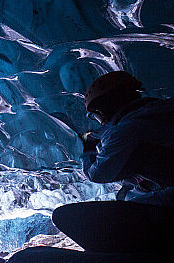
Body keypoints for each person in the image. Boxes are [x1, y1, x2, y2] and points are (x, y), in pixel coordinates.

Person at [52, 70, 174, 252]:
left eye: (95, 115)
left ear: (103, 109)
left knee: (66, 216)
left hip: (165, 207)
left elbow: (98, 174)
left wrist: (88, 147)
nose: (98, 121)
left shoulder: (126, 130)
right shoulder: (158, 112)